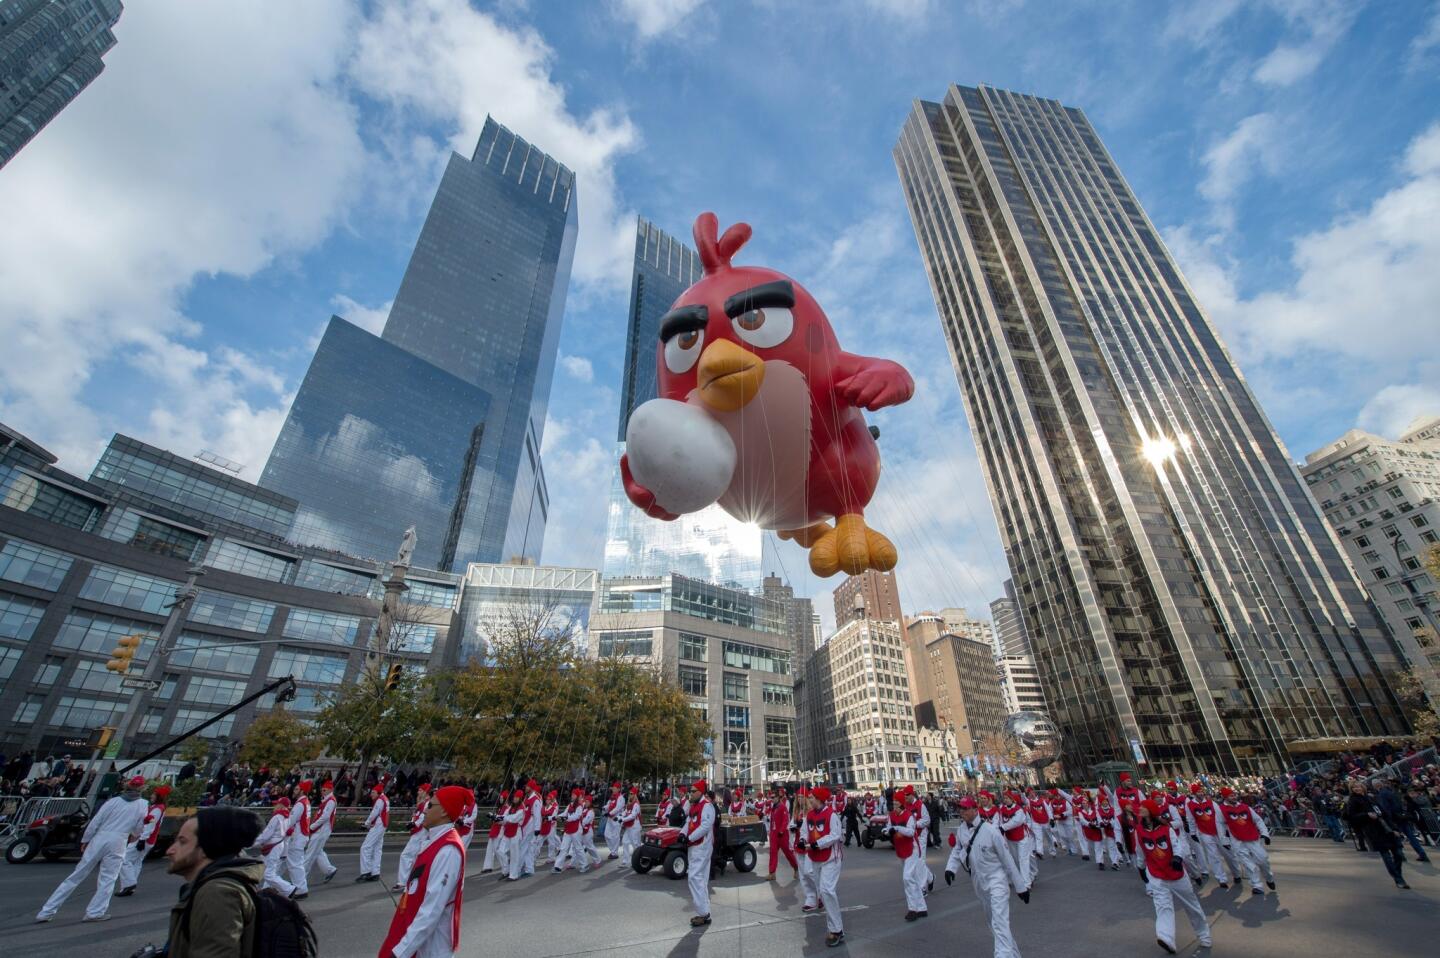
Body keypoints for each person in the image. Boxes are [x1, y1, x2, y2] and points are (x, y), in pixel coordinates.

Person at [156, 806, 268, 958]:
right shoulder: (214, 887)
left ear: (205, 848)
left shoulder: (217, 893)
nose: (170, 850)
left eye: (182, 842)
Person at [35, 774, 148, 923]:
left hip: (101, 837)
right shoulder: (143, 804)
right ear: (141, 788)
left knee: (77, 875)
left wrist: (86, 839)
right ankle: (95, 911)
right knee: (108, 878)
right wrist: (134, 835)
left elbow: (96, 821)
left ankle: (47, 911)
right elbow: (139, 826)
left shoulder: (113, 801)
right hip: (119, 840)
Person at [379, 784, 471, 958]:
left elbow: (432, 909)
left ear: (444, 811)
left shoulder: (448, 851)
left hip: (433, 947)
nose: (426, 810)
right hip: (420, 941)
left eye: (431, 805)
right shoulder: (434, 841)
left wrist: (400, 952)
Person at [944, 795, 1029, 958]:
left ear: (975, 810)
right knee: (993, 923)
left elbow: (1007, 859)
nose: (962, 812)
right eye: (960, 808)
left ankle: (1002, 955)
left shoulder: (990, 831)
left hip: (996, 879)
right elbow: (958, 849)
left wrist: (1020, 887)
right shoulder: (961, 829)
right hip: (978, 880)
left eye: (965, 808)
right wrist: (950, 869)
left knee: (999, 922)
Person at [1135, 799, 1211, 955]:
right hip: (1157, 876)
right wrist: (1141, 866)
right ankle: (1165, 938)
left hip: (1177, 875)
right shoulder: (1139, 830)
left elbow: (1177, 846)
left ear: (1150, 811)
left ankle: (1204, 936)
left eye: (1143, 807)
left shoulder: (1166, 828)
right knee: (1162, 907)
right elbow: (1140, 850)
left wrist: (1177, 858)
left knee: (1192, 906)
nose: (1140, 808)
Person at [796, 785, 845, 948]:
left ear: (818, 799)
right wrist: (803, 841)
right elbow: (805, 832)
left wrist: (817, 844)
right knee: (823, 892)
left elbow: (835, 835)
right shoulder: (809, 815)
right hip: (815, 857)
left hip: (831, 858)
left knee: (826, 890)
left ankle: (836, 930)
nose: (809, 800)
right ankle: (836, 927)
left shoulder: (831, 815)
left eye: (811, 798)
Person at [1344, 781, 1409, 889]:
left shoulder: (1371, 798)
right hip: (1373, 830)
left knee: (1398, 853)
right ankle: (1398, 879)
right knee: (1386, 855)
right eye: (1354, 787)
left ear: (1363, 787)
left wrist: (1394, 828)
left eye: (1358, 786)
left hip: (1386, 826)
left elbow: (1384, 813)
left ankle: (1397, 873)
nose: (1357, 788)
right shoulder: (1352, 800)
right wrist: (1366, 815)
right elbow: (1351, 816)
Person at [1217, 788, 1274, 895]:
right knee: (1248, 864)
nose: (1234, 797)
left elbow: (1258, 820)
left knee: (1263, 860)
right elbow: (1220, 825)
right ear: (1225, 797)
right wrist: (1224, 841)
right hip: (1237, 840)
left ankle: (1269, 877)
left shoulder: (1245, 807)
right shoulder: (1221, 810)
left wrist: (1265, 834)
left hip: (1252, 838)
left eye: (1234, 795)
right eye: (1231, 796)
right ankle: (1257, 885)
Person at [118, 783, 170, 897]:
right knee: (137, 862)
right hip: (148, 840)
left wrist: (142, 839)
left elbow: (150, 825)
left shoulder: (157, 809)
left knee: (125, 859)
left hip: (144, 839)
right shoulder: (158, 808)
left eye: (153, 794)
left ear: (158, 797)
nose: (151, 796)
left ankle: (129, 884)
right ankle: (129, 886)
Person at [884, 784, 927, 920]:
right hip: (901, 849)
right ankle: (922, 907)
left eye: (897, 802)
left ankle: (912, 909)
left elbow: (910, 832)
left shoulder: (909, 816)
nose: (894, 804)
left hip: (912, 848)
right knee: (912, 879)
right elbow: (888, 828)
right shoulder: (891, 815)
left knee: (907, 877)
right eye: (893, 802)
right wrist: (887, 831)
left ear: (901, 803)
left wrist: (896, 828)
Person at [683, 780, 717, 927]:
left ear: (701, 792)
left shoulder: (707, 806)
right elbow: (688, 822)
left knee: (694, 877)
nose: (691, 793)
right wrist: (682, 834)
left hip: (701, 847)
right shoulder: (694, 806)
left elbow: (705, 826)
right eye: (690, 791)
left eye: (693, 791)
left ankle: (703, 913)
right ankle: (704, 912)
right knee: (700, 879)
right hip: (694, 846)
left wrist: (689, 837)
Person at [1183, 783, 1231, 888]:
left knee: (1228, 853)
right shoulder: (1190, 805)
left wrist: (1226, 830)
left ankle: (1236, 872)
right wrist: (1192, 833)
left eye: (1201, 791)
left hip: (1218, 831)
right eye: (1198, 792)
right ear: (1194, 793)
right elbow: (1190, 820)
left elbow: (1221, 817)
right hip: (1204, 833)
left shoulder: (1212, 803)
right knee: (1213, 856)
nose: (1201, 793)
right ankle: (1221, 878)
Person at [256, 796, 296, 897]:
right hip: (278, 845)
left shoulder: (276, 817)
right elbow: (287, 833)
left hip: (273, 846)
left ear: (281, 805)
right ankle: (265, 890)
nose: (274, 806)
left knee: (268, 874)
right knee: (266, 869)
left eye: (276, 804)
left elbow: (266, 835)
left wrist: (251, 843)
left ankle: (288, 888)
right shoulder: (287, 817)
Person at [397, 783, 434, 890]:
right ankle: (411, 881)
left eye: (420, 790)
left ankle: (402, 882)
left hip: (420, 832)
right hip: (418, 832)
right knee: (414, 857)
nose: (418, 792)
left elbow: (424, 815)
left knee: (406, 855)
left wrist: (415, 824)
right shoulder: (423, 803)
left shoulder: (427, 803)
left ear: (425, 792)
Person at [998, 791, 1037, 885]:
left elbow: (1016, 821)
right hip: (1010, 838)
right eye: (1004, 798)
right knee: (1016, 859)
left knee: (1023, 859)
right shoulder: (1002, 809)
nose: (1005, 800)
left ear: (1012, 799)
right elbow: (1000, 821)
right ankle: (1027, 875)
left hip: (1022, 837)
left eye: (1007, 798)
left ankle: (1026, 883)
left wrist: (1003, 827)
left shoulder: (1019, 809)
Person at [306, 780, 339, 884]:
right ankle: (329, 870)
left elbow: (325, 817)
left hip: (321, 830)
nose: (322, 791)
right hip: (321, 829)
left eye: (324, 789)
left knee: (310, 854)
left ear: (330, 790)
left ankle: (300, 878)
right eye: (322, 789)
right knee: (318, 851)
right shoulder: (327, 800)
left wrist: (312, 827)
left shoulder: (330, 801)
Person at [285, 781, 313, 899]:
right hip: (301, 835)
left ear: (302, 791)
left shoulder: (300, 804)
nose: (294, 791)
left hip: (297, 836)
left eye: (296, 789)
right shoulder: (305, 802)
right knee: (295, 862)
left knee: (295, 863)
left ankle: (300, 888)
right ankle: (298, 886)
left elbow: (291, 820)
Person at [358, 783, 389, 882]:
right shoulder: (385, 798)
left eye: (373, 792)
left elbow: (374, 813)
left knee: (365, 847)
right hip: (382, 824)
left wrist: (366, 824)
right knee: (377, 849)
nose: (371, 794)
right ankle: (375, 872)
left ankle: (366, 872)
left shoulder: (380, 800)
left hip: (378, 825)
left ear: (378, 792)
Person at [765, 787, 798, 881]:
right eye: (771, 797)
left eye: (774, 797)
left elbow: (785, 820)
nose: (773, 799)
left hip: (782, 834)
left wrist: (781, 831)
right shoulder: (773, 807)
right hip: (774, 834)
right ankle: (772, 873)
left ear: (778, 798)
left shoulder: (782, 807)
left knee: (788, 852)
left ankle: (796, 867)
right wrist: (771, 832)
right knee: (773, 853)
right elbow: (772, 821)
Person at [552, 789, 587, 873]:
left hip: (576, 829)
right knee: (563, 848)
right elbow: (565, 813)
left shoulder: (580, 805)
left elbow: (576, 816)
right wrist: (556, 817)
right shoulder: (570, 805)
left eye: (574, 795)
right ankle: (558, 866)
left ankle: (584, 865)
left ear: (578, 796)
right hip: (568, 829)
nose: (572, 796)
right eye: (572, 794)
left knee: (578, 848)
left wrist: (566, 818)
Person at [480, 789, 508, 875]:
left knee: (497, 849)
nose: (500, 799)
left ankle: (506, 864)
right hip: (494, 829)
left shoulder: (507, 808)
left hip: (500, 830)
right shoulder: (500, 808)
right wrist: (492, 816)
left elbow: (504, 819)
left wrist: (495, 817)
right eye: (500, 798)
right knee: (489, 849)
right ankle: (487, 866)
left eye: (502, 798)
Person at [617, 786, 644, 867]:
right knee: (625, 842)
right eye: (629, 793)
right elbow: (624, 813)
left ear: (635, 795)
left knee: (635, 844)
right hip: (629, 826)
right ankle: (626, 861)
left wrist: (623, 820)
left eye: (632, 793)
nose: (630, 795)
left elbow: (632, 815)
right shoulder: (629, 804)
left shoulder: (636, 805)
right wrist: (618, 817)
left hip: (635, 826)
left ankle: (638, 861)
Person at [603, 782, 624, 859]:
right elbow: (608, 805)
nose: (613, 790)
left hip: (617, 818)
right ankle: (612, 850)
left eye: (615, 788)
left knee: (615, 836)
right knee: (606, 834)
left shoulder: (621, 798)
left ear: (618, 789)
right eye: (613, 788)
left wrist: (610, 813)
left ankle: (614, 853)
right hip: (610, 817)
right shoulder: (612, 797)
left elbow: (618, 808)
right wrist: (604, 808)